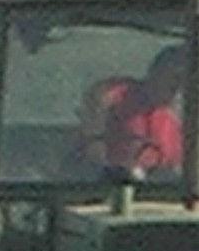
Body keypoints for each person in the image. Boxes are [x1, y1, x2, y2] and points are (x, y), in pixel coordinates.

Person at [76, 44, 187, 174]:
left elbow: (176, 170)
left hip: (154, 189)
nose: (177, 87)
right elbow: (97, 98)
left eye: (183, 81)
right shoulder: (122, 94)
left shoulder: (173, 124)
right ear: (154, 72)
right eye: (174, 77)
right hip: (106, 183)